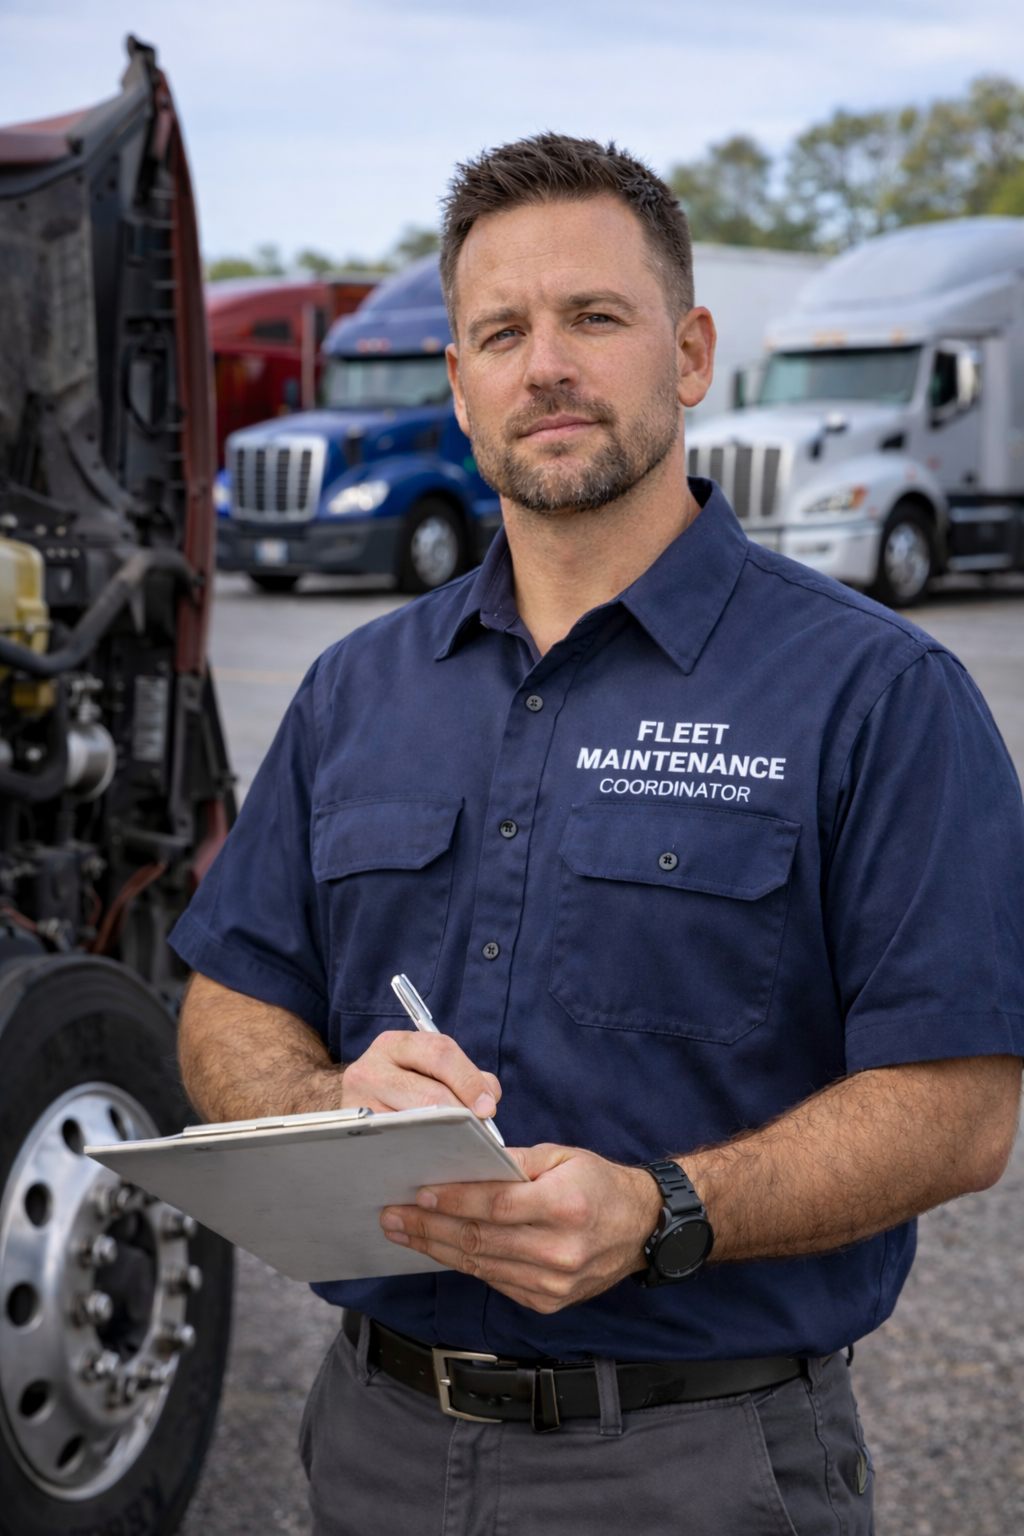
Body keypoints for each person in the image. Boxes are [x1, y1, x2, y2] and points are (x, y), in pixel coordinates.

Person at [172, 135, 1024, 1535]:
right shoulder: (353, 692)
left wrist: (665, 1210)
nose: (545, 365)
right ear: (458, 387)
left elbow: (961, 1107)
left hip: (700, 1465)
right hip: (375, 1446)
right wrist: (316, 1107)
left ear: (689, 354)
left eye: (595, 318)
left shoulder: (877, 694)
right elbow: (230, 999)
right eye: (501, 331)